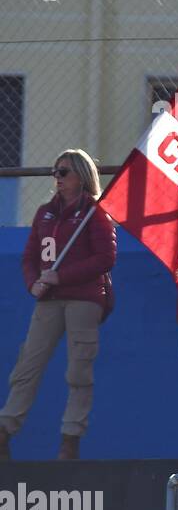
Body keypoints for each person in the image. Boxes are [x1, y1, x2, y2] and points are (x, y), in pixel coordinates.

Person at [0, 150, 116, 461]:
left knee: (78, 369)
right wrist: (33, 283)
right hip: (48, 300)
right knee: (28, 364)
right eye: (55, 171)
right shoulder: (44, 213)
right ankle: (5, 428)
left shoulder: (95, 213)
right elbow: (29, 258)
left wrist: (60, 276)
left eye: (64, 172)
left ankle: (70, 438)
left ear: (81, 175)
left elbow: (106, 258)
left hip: (84, 298)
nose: (57, 178)